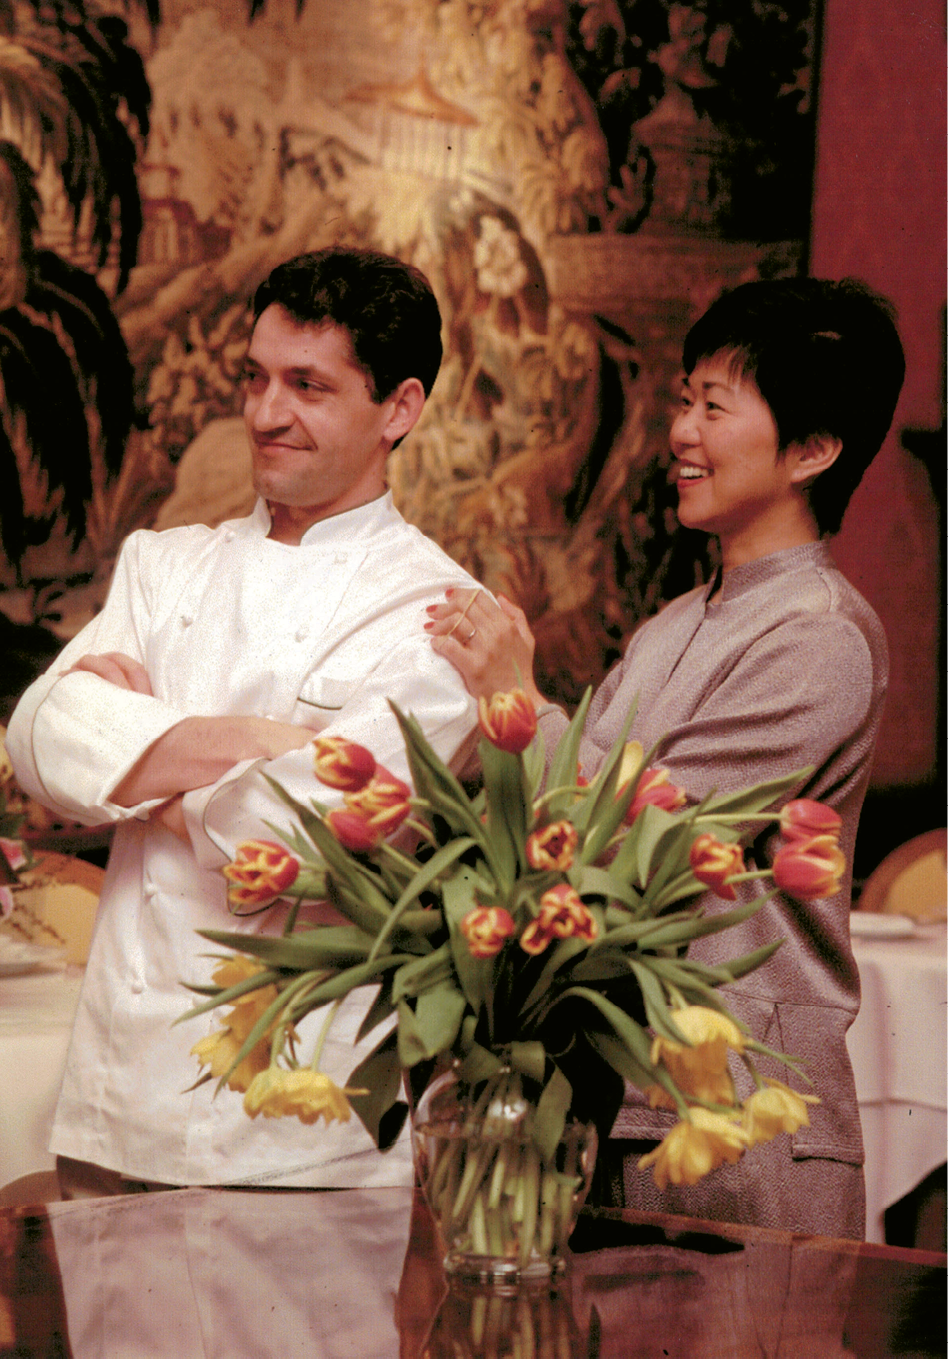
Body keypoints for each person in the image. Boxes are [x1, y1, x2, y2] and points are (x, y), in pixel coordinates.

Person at [425, 276, 906, 1239]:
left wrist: (516, 699)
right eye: (683, 399)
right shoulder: (674, 624)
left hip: (737, 1131)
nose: (681, 431)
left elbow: (645, 840)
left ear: (812, 450)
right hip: (619, 1105)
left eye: (714, 407)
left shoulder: (819, 638)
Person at [7, 246, 485, 1194]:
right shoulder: (162, 563)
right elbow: (36, 739)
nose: (266, 414)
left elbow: (304, 833)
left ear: (400, 407)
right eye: (256, 377)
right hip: (119, 1102)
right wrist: (261, 744)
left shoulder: (440, 612)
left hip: (299, 1131)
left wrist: (138, 757)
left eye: (308, 385)